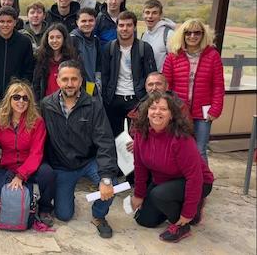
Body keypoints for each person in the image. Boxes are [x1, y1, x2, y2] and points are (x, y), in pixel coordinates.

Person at [40, 60, 118, 238]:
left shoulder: (93, 105)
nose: (69, 84)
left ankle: (98, 215)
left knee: (111, 184)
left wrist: (105, 177)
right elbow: (40, 139)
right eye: (65, 79)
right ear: (57, 80)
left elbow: (105, 141)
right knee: (64, 215)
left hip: (88, 162)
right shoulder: (46, 105)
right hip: (62, 166)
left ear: (81, 80)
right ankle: (67, 196)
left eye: (74, 79)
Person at [130, 92, 214, 242]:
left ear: (171, 115)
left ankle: (184, 223)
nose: (157, 112)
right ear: (146, 112)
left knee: (159, 195)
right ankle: (175, 204)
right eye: (153, 108)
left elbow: (194, 177)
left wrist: (187, 212)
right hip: (163, 180)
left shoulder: (181, 137)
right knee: (144, 220)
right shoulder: (141, 133)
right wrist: (139, 194)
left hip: (198, 182)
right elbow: (140, 166)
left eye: (163, 109)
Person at [0, 81, 55, 226]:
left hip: (31, 166)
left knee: (48, 173)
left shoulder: (37, 122)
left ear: (29, 101)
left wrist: (20, 176)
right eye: (16, 97)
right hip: (8, 166)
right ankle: (20, 196)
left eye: (25, 98)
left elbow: (36, 152)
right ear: (9, 99)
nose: (21, 101)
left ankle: (45, 208)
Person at [162, 19, 224, 162]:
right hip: (179, 110)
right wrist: (169, 108)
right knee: (178, 148)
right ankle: (181, 181)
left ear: (203, 35)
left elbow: (218, 86)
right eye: (188, 33)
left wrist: (215, 109)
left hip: (203, 113)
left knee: (200, 150)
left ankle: (204, 183)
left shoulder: (213, 56)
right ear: (182, 35)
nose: (192, 36)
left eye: (197, 32)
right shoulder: (173, 56)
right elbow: (167, 85)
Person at [101, 11, 157, 137]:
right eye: (121, 25)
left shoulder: (144, 48)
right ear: (117, 27)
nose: (124, 29)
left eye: (129, 25)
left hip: (137, 100)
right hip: (114, 99)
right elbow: (104, 76)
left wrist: (146, 99)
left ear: (135, 27)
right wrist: (106, 97)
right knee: (114, 138)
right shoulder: (108, 48)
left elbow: (151, 75)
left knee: (137, 138)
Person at [0, 6, 34, 105]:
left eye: (9, 21)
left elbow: (28, 69)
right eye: (2, 21)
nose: (5, 25)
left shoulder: (24, 42)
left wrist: (21, 89)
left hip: (17, 96)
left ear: (15, 22)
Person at [33, 23, 77, 101]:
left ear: (64, 39)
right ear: (47, 39)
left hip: (67, 103)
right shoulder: (41, 58)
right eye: (51, 37)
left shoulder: (73, 58)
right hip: (46, 103)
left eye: (58, 37)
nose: (55, 40)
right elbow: (36, 84)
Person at [70, 7, 102, 89]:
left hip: (91, 84)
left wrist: (98, 83)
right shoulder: (72, 39)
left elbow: (98, 64)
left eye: (91, 20)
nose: (87, 24)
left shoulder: (96, 40)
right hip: (77, 85)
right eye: (83, 21)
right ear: (77, 22)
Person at [141, 0, 176, 70]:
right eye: (147, 12)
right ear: (143, 14)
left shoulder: (169, 35)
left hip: (164, 79)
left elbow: (175, 63)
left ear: (161, 15)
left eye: (154, 13)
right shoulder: (144, 35)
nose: (150, 16)